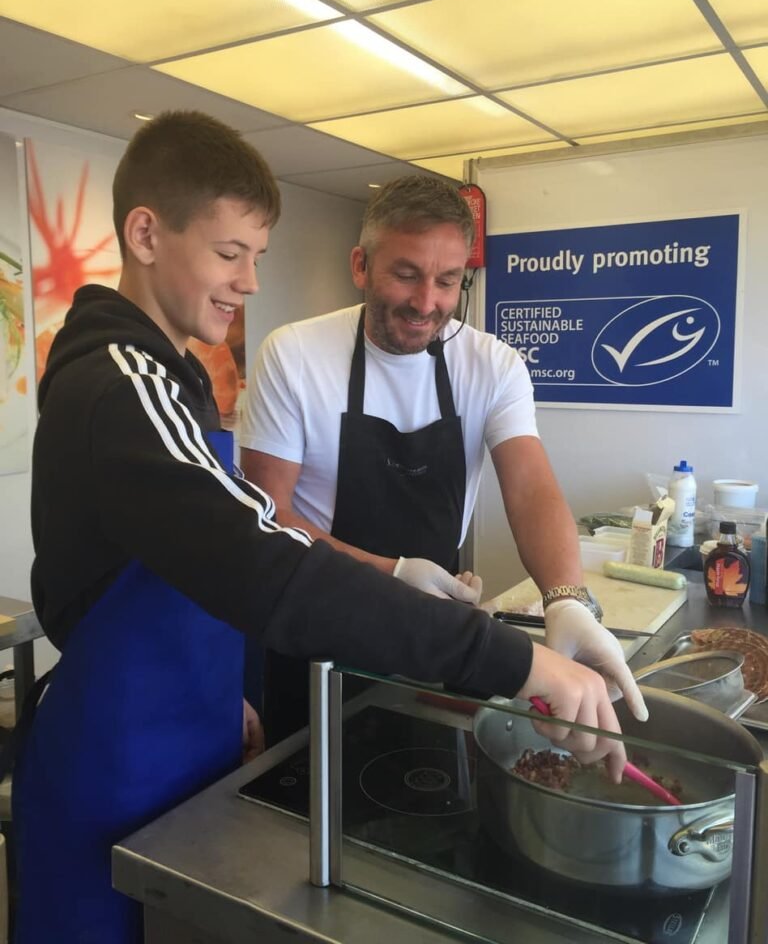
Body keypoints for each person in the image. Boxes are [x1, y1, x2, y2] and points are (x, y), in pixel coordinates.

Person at [15, 112, 628, 944]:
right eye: (231, 254)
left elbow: (219, 537)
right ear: (146, 233)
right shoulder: (125, 383)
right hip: (114, 757)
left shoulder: (175, 375)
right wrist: (510, 658)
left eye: (257, 257)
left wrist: (564, 601)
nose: (250, 282)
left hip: (185, 728)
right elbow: (262, 556)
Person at [241, 174, 648, 743]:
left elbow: (530, 485)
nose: (426, 302)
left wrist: (567, 600)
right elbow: (267, 517)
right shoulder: (294, 354)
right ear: (361, 265)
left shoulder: (493, 364)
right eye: (405, 274)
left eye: (447, 280)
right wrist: (393, 572)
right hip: (317, 629)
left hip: (434, 634)